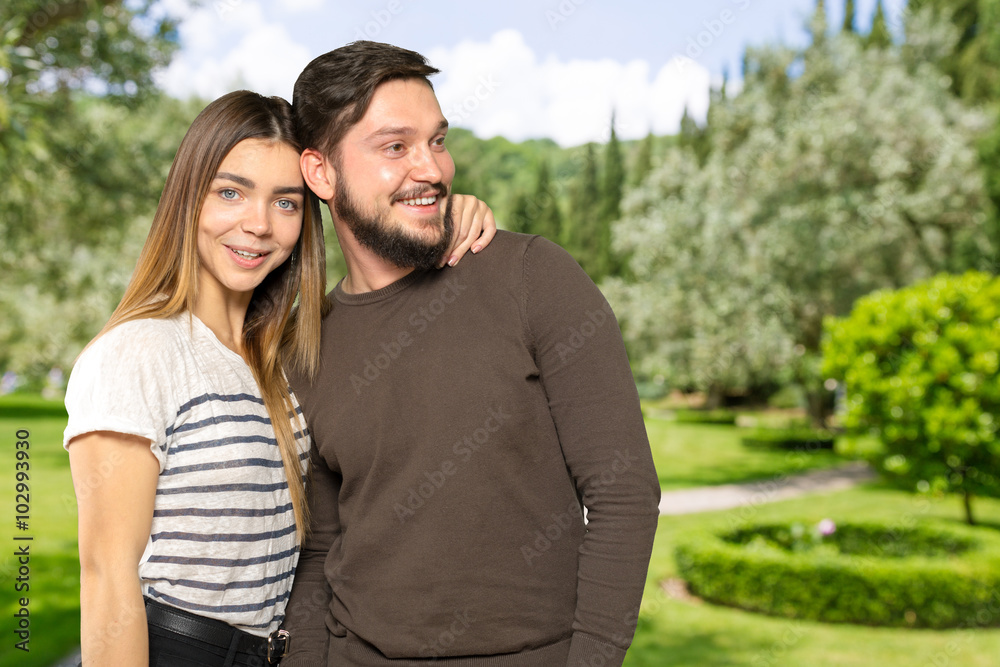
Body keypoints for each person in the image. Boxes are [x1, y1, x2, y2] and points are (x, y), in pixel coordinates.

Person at [63, 90, 495, 667]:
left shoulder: (284, 358)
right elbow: (106, 575)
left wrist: (445, 212)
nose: (258, 225)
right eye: (231, 192)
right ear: (187, 197)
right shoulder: (139, 353)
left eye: (286, 203)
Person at [281, 41, 661, 667]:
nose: (431, 168)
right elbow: (323, 547)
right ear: (322, 173)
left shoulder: (531, 277)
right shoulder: (307, 343)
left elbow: (624, 493)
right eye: (395, 146)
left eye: (437, 140)